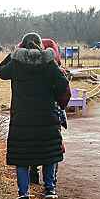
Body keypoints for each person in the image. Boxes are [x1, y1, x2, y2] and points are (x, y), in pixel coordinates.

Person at [0, 32, 70, 199]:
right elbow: (63, 84)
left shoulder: (16, 63)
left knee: (22, 157)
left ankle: (23, 196)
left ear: (21, 46)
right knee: (48, 152)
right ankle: (50, 188)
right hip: (46, 116)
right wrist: (53, 98)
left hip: (22, 118)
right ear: (40, 46)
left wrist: (14, 53)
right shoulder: (49, 63)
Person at [29, 37, 71, 186]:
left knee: (31, 143)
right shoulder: (57, 70)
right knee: (52, 145)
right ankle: (51, 182)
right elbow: (66, 93)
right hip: (51, 113)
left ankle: (33, 174)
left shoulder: (26, 69)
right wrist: (58, 105)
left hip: (29, 114)